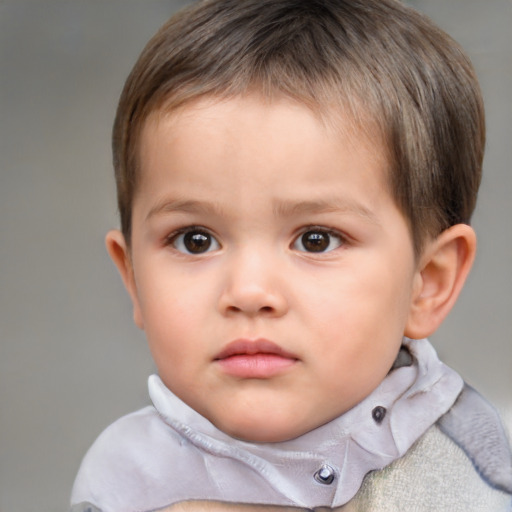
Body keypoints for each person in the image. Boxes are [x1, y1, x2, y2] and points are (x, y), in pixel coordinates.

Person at [70, 0, 512, 510]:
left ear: (427, 281)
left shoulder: (471, 475)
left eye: (316, 239)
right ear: (133, 280)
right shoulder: (123, 478)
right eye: (195, 239)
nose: (249, 291)